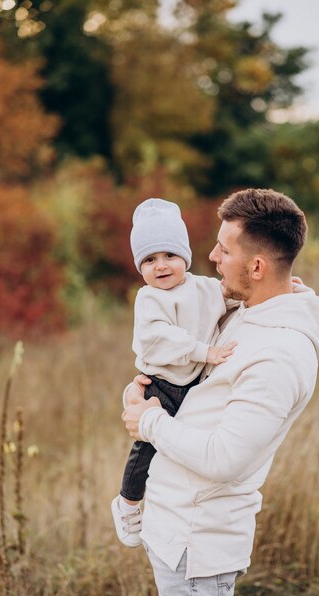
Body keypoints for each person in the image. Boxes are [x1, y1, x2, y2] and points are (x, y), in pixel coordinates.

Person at [121, 188, 319, 596]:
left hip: (198, 546)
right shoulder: (251, 309)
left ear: (256, 266)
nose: (212, 256)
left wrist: (149, 421)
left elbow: (224, 458)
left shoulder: (278, 355)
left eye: (224, 247)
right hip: (175, 527)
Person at [111, 198, 237, 547]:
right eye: (149, 260)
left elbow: (233, 299)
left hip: (195, 382)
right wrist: (205, 351)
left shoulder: (203, 287)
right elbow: (161, 338)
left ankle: (181, 509)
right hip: (162, 384)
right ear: (140, 267)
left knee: (186, 448)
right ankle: (128, 502)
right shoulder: (149, 299)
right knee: (147, 448)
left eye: (169, 255)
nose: (161, 266)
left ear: (185, 256)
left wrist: (283, 292)